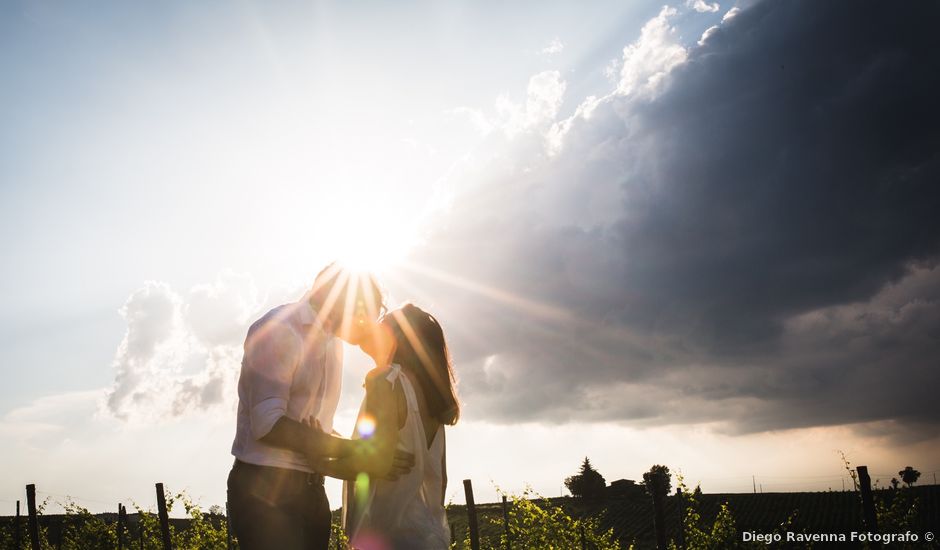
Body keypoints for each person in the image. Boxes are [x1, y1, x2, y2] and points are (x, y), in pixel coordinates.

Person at [227, 263, 414, 550]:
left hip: (312, 489)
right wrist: (358, 450)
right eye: (366, 315)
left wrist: (373, 458)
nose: (368, 326)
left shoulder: (332, 343)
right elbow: (268, 424)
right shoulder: (279, 329)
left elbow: (316, 430)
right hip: (264, 493)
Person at [314, 303, 460, 550]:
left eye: (382, 324)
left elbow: (375, 461)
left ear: (398, 338)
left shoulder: (384, 381)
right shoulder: (434, 404)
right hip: (429, 536)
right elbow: (440, 480)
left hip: (389, 537)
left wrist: (317, 464)